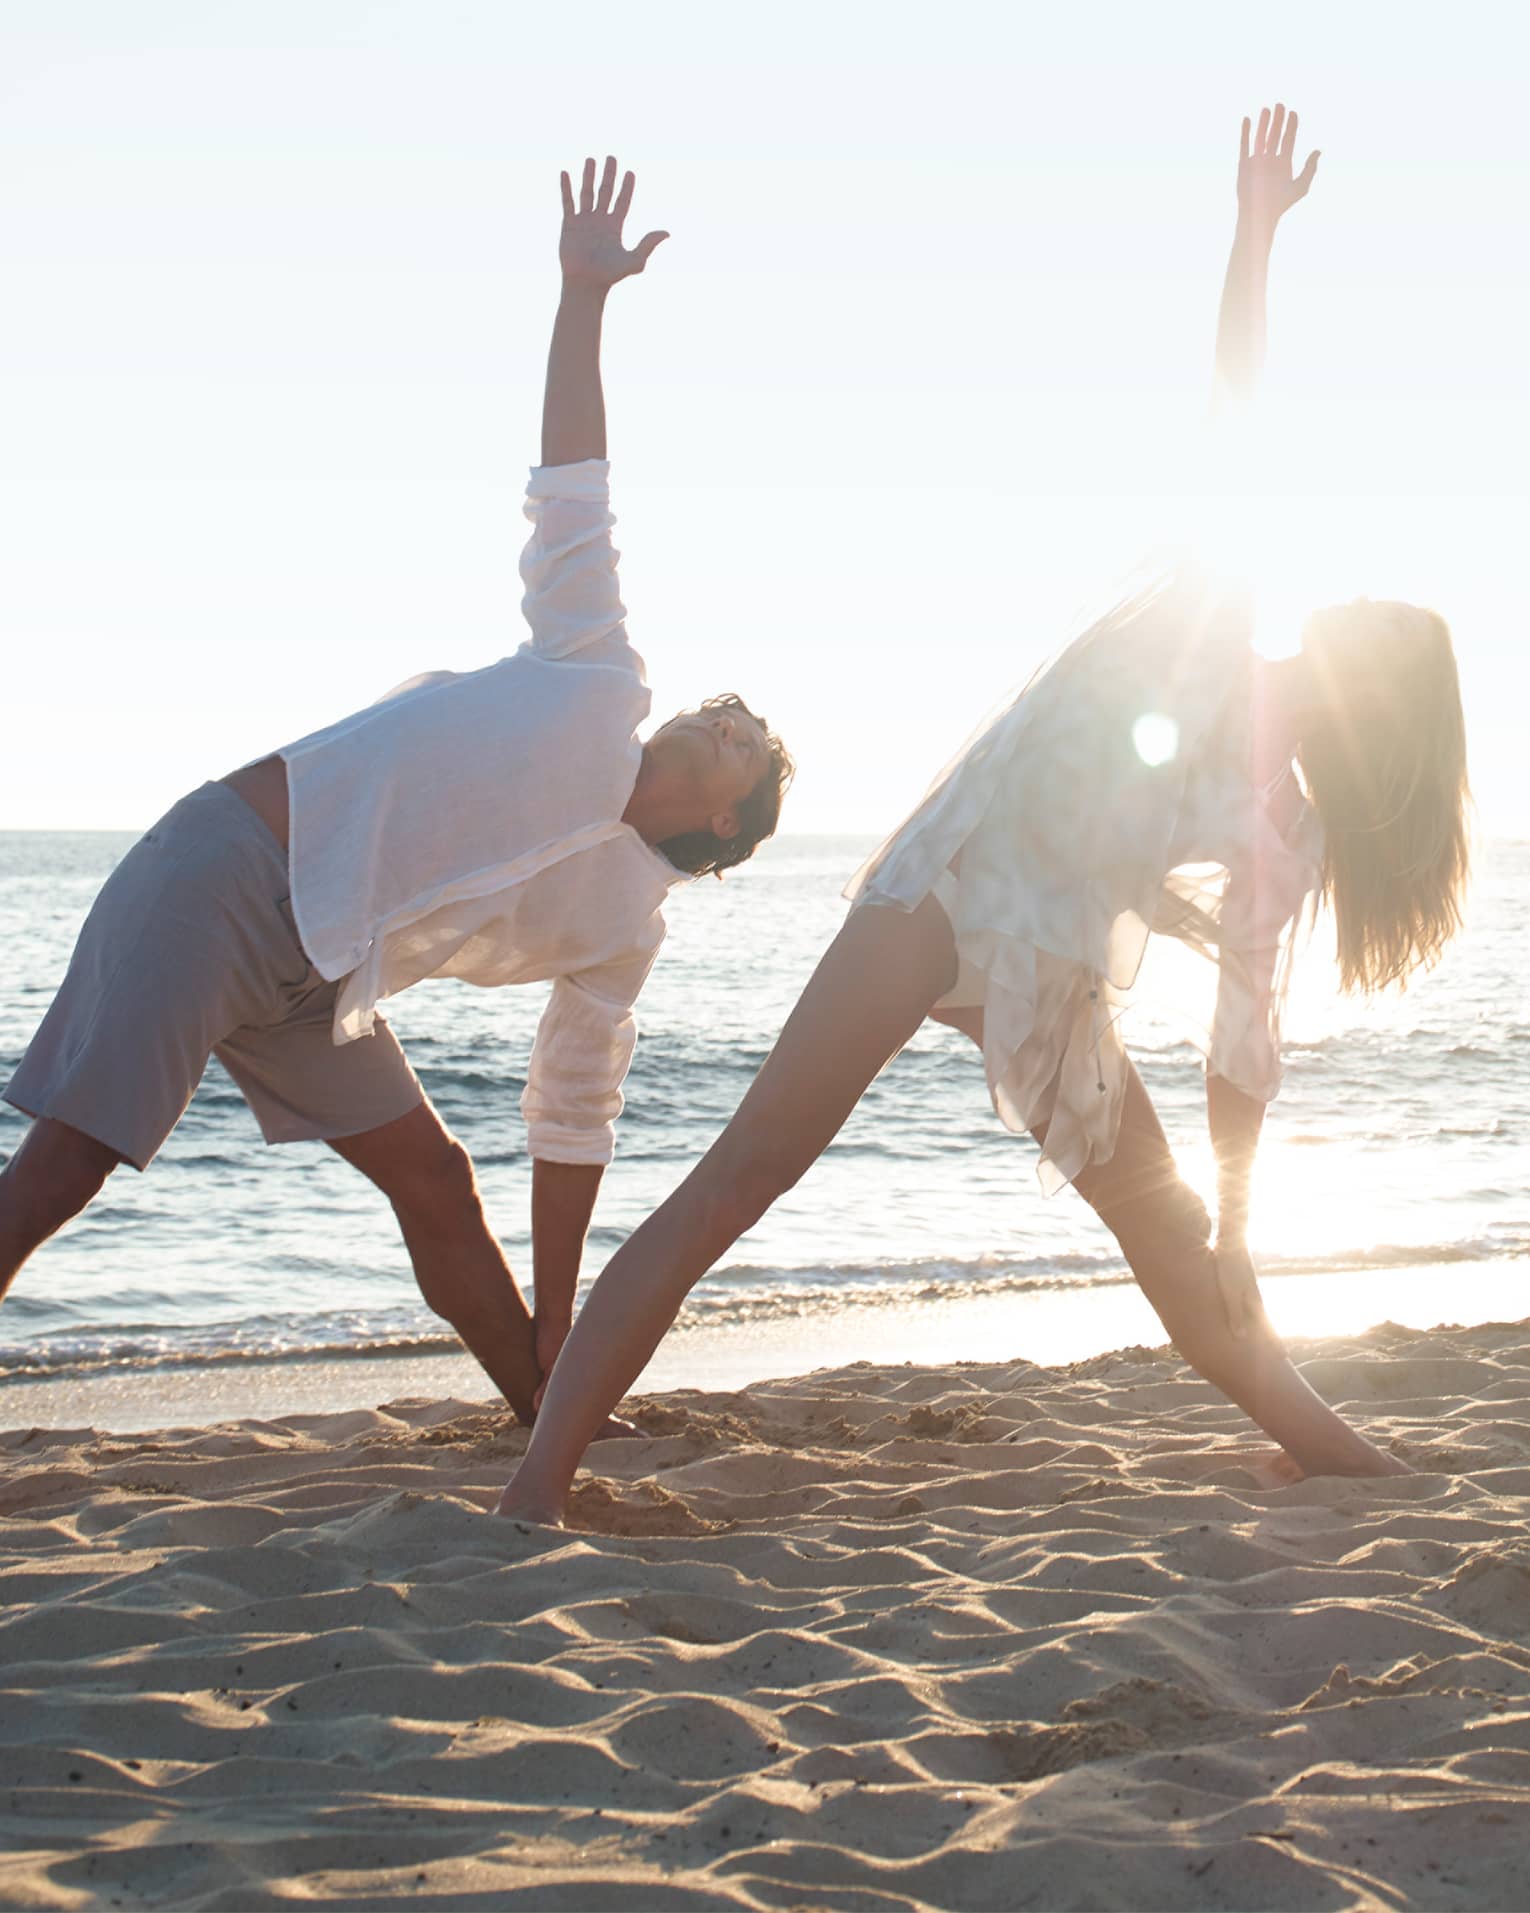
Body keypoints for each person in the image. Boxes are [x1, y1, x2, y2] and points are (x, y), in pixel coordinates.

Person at [498, 107, 1471, 1523]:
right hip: (940, 899)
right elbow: (1234, 414)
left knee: (1183, 1255)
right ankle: (536, 1489)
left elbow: (1241, 1045)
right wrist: (1252, 237)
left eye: (1352, 637)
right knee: (741, 1177)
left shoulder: (1290, 833)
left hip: (1052, 982)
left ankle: (1350, 1464)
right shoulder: (1214, 610)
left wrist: (1247, 1231)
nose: (1324, 622)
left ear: (1368, 701)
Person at [0, 156, 794, 1427]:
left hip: (321, 979)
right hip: (231, 878)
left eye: (750, 743)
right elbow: (573, 491)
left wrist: (565, 1318)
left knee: (439, 1177)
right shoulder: (600, 676)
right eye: (736, 712)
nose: (732, 714)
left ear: (722, 823)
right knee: (68, 1166)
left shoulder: (622, 931)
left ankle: (544, 1404)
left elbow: (571, 1116)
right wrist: (582, 300)